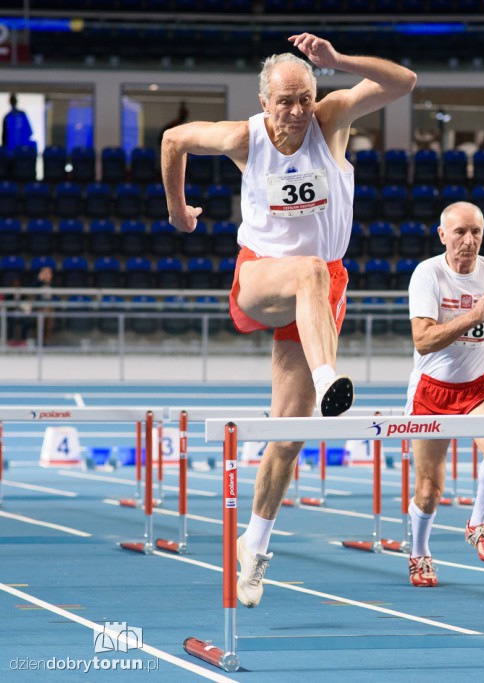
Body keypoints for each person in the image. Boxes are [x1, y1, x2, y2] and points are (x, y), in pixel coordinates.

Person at [161, 33, 416, 609]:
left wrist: (340, 63)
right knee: (306, 271)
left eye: (305, 98)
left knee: (288, 433)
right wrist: (178, 210)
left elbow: (405, 83)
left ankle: (252, 547)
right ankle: (333, 383)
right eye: (286, 102)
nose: (298, 112)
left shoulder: (332, 120)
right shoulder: (243, 138)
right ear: (264, 101)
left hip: (322, 290)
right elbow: (173, 138)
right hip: (260, 279)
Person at [404, 201, 484, 587]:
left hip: (479, 386)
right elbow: (423, 341)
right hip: (432, 390)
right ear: (443, 236)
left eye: (476, 232)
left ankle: (477, 522)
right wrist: (474, 314)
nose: (468, 241)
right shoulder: (428, 275)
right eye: (460, 232)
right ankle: (419, 553)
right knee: (427, 491)